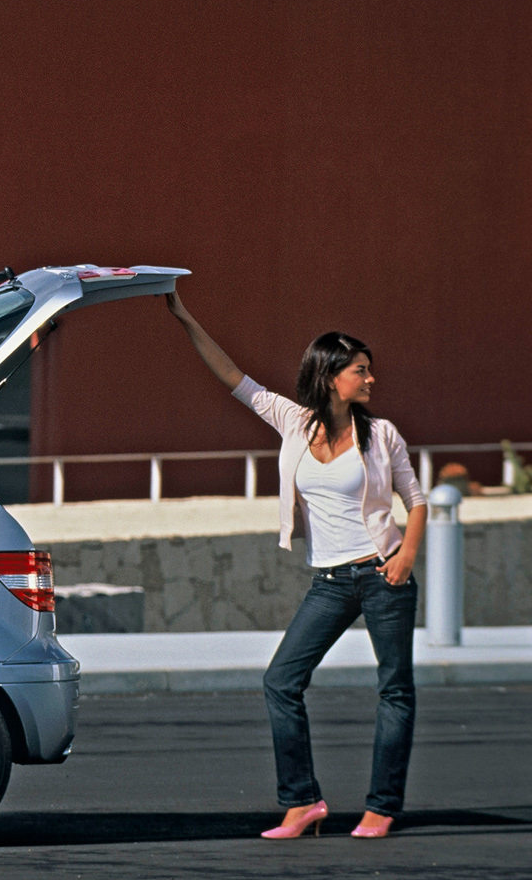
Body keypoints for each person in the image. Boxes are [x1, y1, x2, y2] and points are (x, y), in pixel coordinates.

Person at [163, 292, 427, 840]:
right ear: (330, 377)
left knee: (395, 688)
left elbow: (417, 500)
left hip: (382, 574)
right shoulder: (294, 422)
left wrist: (405, 555)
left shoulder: (382, 435)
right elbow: (233, 376)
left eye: (369, 370)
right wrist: (185, 318)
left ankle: (381, 807)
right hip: (330, 581)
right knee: (281, 681)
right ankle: (303, 801)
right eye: (360, 371)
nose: (371, 379)